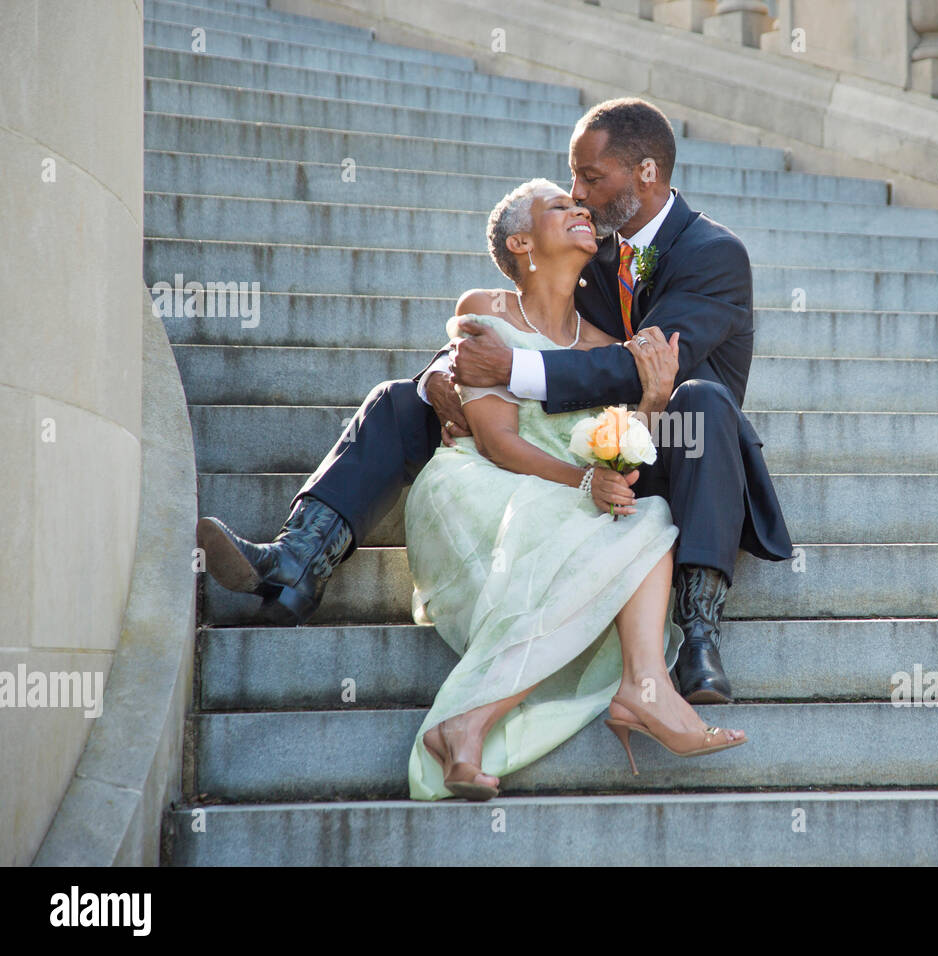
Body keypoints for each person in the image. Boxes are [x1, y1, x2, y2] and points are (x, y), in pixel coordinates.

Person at [195, 97, 792, 704]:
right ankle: (298, 559)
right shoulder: (592, 250)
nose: (577, 193)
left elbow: (634, 365)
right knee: (401, 401)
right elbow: (529, 316)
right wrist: (445, 372)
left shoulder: (712, 254)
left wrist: (512, 368)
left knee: (704, 400)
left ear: (646, 172)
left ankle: (699, 638)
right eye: (572, 177)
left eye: (591, 177)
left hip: (675, 449)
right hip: (571, 433)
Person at [408, 179, 745, 800]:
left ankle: (633, 690)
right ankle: (484, 718)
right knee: (600, 531)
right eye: (561, 206)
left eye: (582, 203)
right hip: (487, 484)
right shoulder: (485, 309)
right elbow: (496, 442)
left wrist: (652, 400)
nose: (580, 207)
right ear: (521, 241)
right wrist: (585, 481)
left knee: (649, 518)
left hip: (567, 485)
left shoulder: (601, 344)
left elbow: (620, 439)